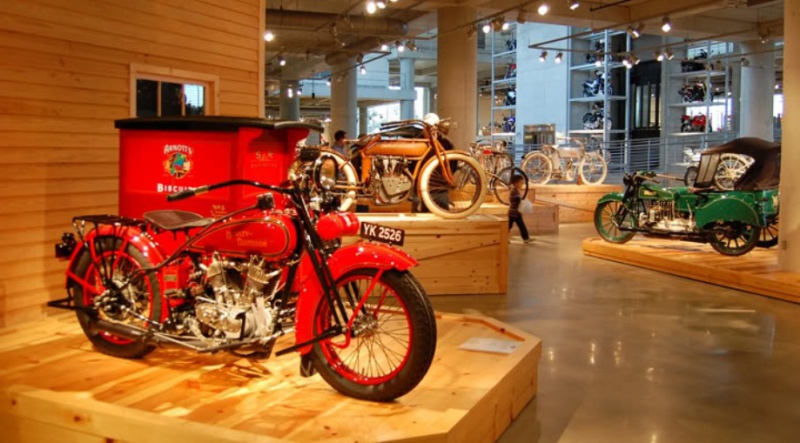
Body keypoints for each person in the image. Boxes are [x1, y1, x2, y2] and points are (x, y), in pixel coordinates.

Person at [508, 175, 533, 243]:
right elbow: (517, 199)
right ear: (516, 183)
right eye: (521, 183)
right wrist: (521, 199)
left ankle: (526, 238)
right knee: (520, 226)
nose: (522, 184)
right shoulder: (514, 191)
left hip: (514, 212)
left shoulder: (515, 190)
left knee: (511, 227)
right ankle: (526, 238)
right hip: (514, 213)